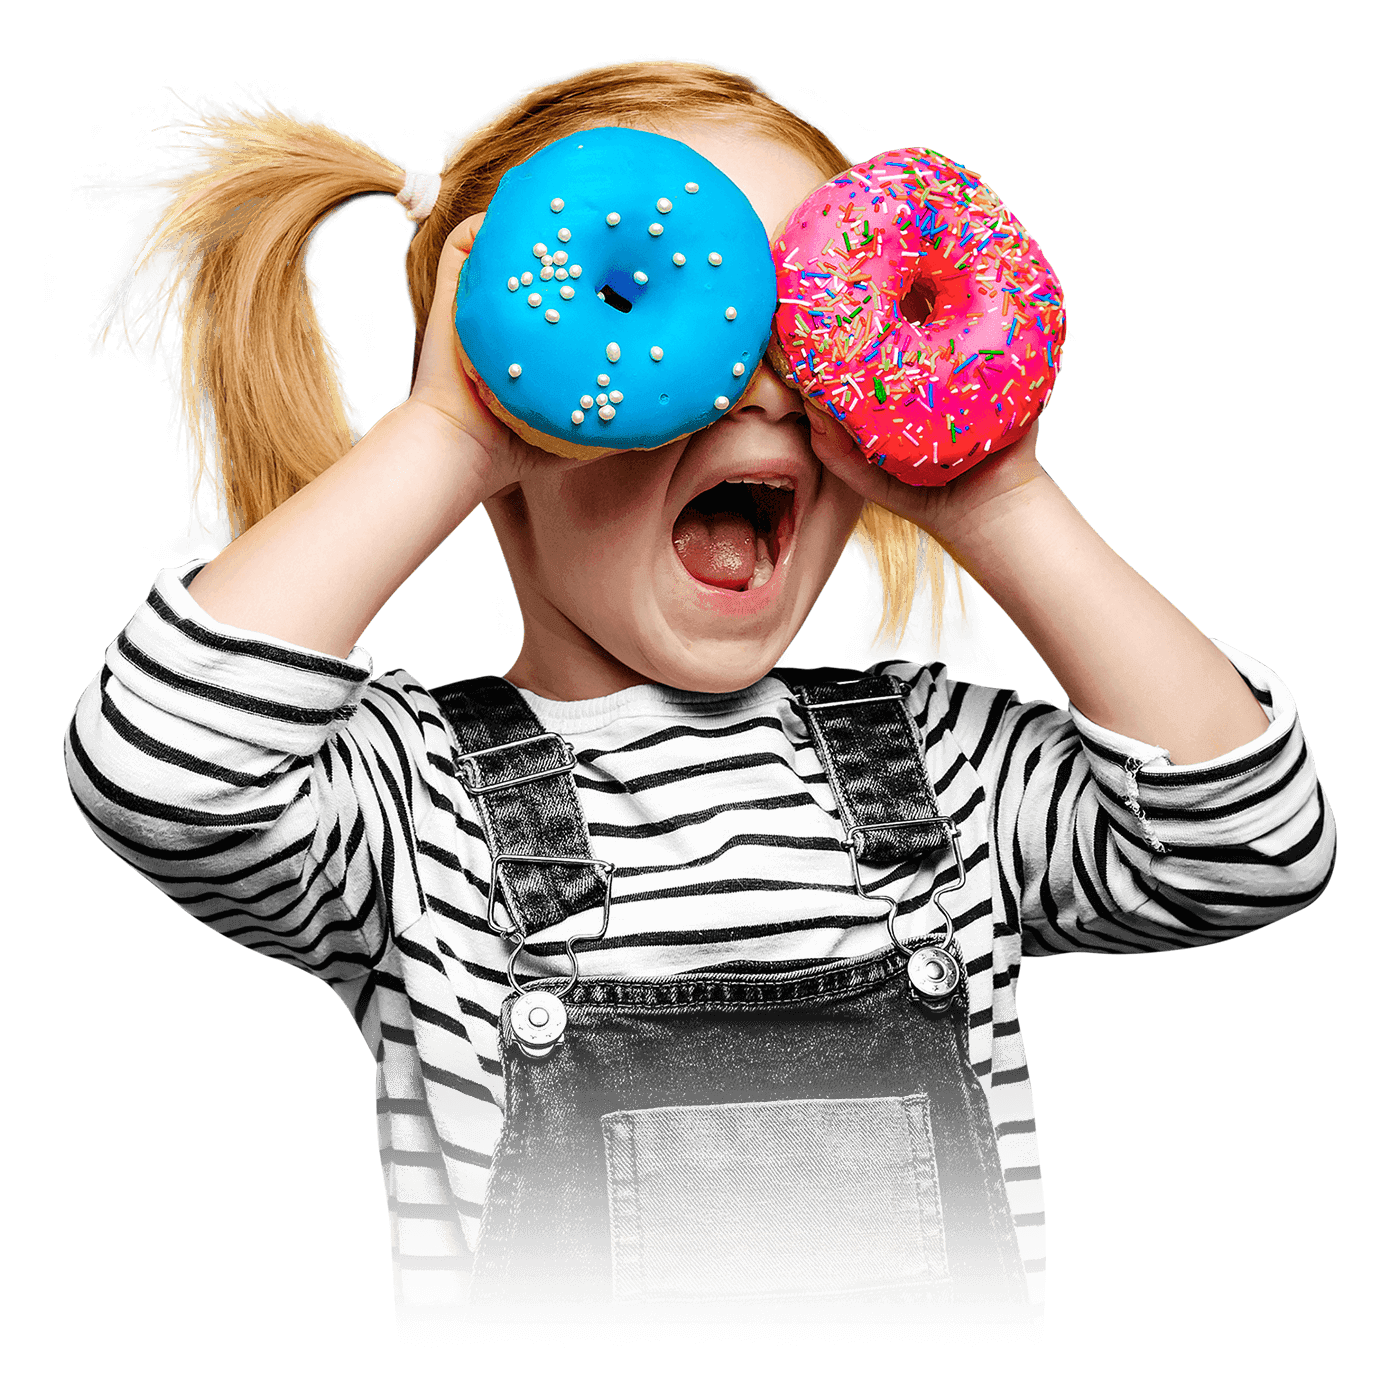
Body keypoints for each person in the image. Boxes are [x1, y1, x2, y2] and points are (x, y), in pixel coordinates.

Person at [64, 59, 1334, 1316]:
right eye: (673, 306)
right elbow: (162, 766)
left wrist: (1001, 502)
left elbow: (1247, 846)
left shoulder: (946, 765)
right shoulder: (411, 808)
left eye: (806, 319)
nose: (768, 380)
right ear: (509, 379)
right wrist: (445, 436)